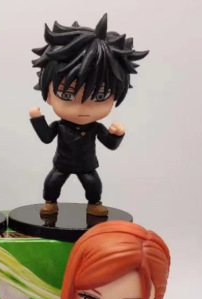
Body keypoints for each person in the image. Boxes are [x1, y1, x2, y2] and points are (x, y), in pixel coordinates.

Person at [29, 14, 148, 217]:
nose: (82, 108)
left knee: (93, 184)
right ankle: (50, 202)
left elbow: (110, 144)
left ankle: (94, 204)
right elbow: (47, 137)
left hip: (87, 165)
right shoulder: (61, 126)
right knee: (52, 182)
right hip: (62, 163)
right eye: (67, 95)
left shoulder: (95, 128)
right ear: (48, 94)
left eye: (100, 96)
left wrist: (117, 135)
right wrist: (37, 120)